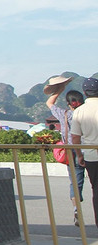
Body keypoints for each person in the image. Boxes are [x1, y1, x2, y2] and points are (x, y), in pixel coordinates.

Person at [45, 75, 85, 223]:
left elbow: (49, 102)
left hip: (72, 151)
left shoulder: (65, 114)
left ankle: (76, 210)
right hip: (91, 149)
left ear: (69, 104)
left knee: (75, 182)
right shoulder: (86, 112)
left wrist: (60, 89)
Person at [69, 77, 98, 230]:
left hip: (92, 157)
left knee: (96, 190)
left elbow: (75, 137)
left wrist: (79, 155)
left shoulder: (79, 111)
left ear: (85, 93)